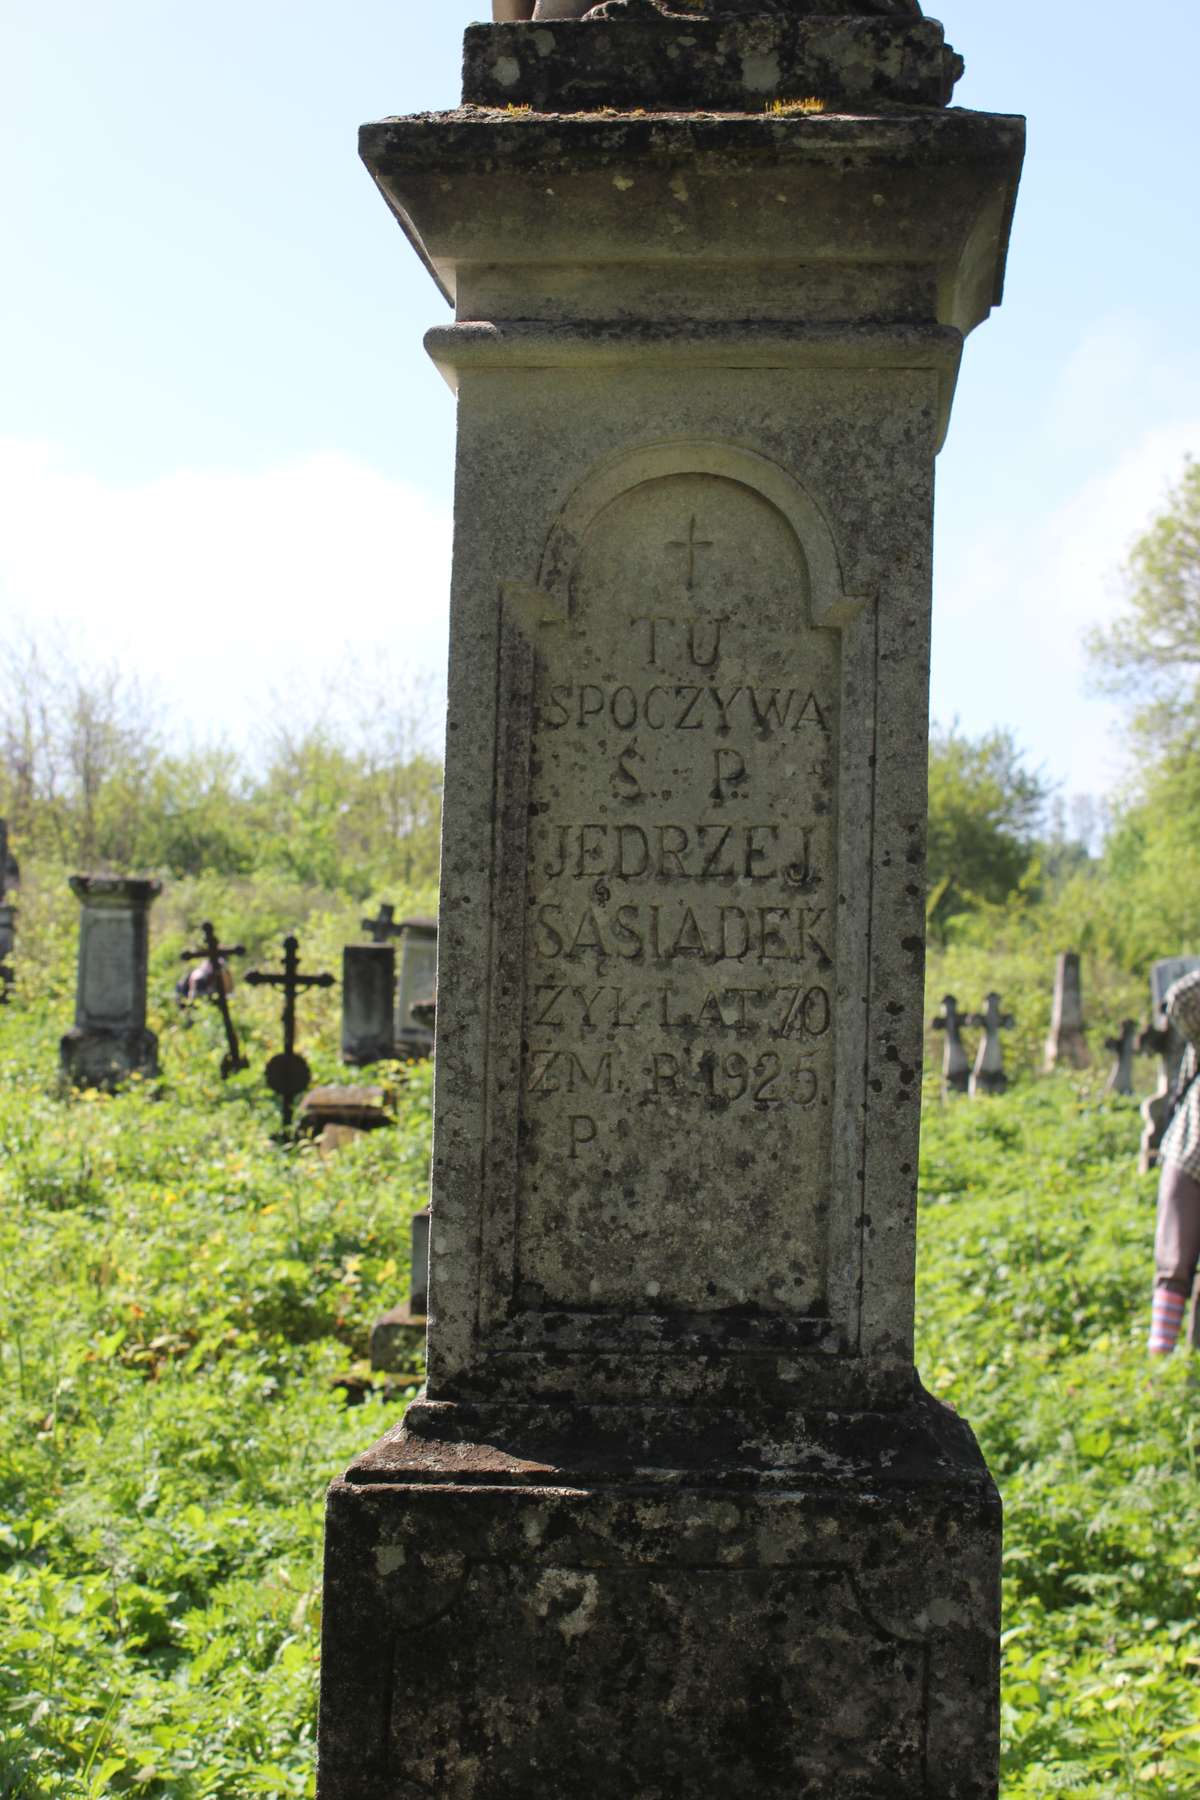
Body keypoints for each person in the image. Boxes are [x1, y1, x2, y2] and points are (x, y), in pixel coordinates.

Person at [1149, 968, 1200, 1354]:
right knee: (1173, 1265)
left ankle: (1190, 1369)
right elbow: (1182, 996)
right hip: (1188, 1152)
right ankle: (1160, 1362)